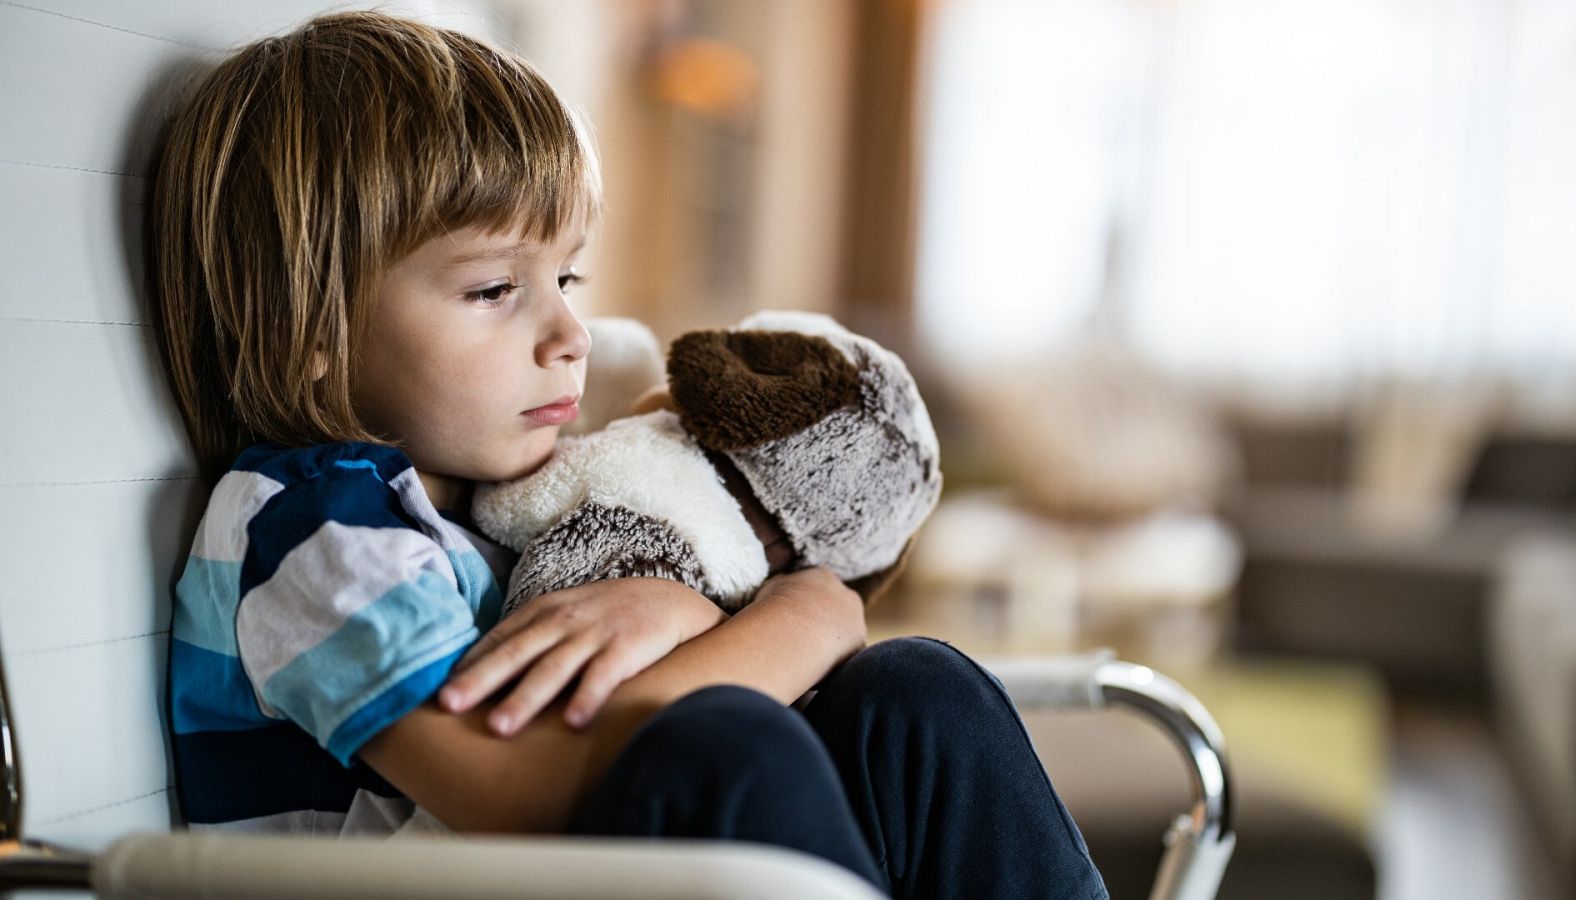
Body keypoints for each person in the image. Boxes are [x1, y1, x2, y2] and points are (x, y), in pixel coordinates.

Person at [150, 10, 1108, 900]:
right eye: (492, 289)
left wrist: (704, 608)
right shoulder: (309, 522)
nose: (570, 330)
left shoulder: (488, 506)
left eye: (566, 276)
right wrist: (807, 612)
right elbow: (524, 799)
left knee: (918, 694)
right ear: (309, 325)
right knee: (728, 748)